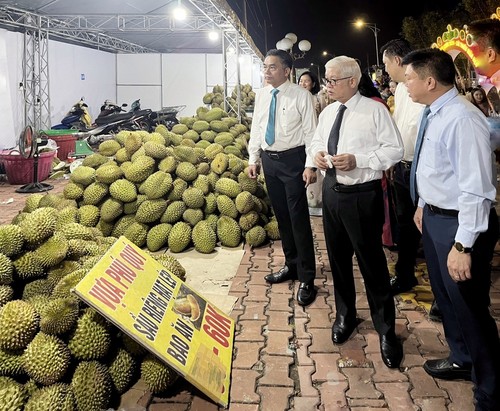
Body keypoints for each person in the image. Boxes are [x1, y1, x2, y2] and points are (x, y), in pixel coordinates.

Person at [403, 48, 500, 411]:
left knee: (470, 308)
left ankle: (490, 389)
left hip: (461, 225)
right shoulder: (436, 112)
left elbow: (476, 186)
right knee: (447, 300)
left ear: (429, 81)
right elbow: (438, 168)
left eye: (410, 77)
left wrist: (463, 245)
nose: (405, 83)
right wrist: (424, 204)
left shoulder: (462, 118)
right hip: (435, 218)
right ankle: (462, 357)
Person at [310, 56, 404, 368]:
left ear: (353, 80)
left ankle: (386, 329)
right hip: (332, 194)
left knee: (372, 263)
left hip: (362, 196)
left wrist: (359, 160)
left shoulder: (375, 110)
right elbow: (315, 142)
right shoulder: (328, 112)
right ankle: (345, 316)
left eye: (333, 80)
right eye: (326, 79)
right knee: (338, 261)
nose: (328, 85)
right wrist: (319, 158)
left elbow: (395, 150)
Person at [247, 49, 318, 306]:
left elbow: (311, 133)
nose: (266, 71)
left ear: (287, 70)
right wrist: (253, 158)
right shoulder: (262, 95)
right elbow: (257, 127)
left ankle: (308, 277)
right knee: (282, 218)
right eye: (265, 67)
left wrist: (311, 166)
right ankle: (292, 265)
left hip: (293, 161)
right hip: (269, 162)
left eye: (272, 67)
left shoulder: (302, 96)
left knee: (298, 218)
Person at [380, 39, 427, 294]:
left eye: (387, 63)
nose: (385, 69)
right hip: (402, 166)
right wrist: (391, 159)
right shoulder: (399, 89)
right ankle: (405, 274)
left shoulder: (422, 85)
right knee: (406, 224)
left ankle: (445, 288)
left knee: (427, 225)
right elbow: (399, 126)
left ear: (398, 60)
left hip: (421, 168)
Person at [299, 70, 326, 216]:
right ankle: (309, 204)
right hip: (303, 143)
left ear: (313, 84)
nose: (303, 83)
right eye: (301, 81)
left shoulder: (317, 99)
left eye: (306, 81)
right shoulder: (298, 98)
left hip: (316, 141)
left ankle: (317, 205)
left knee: (315, 173)